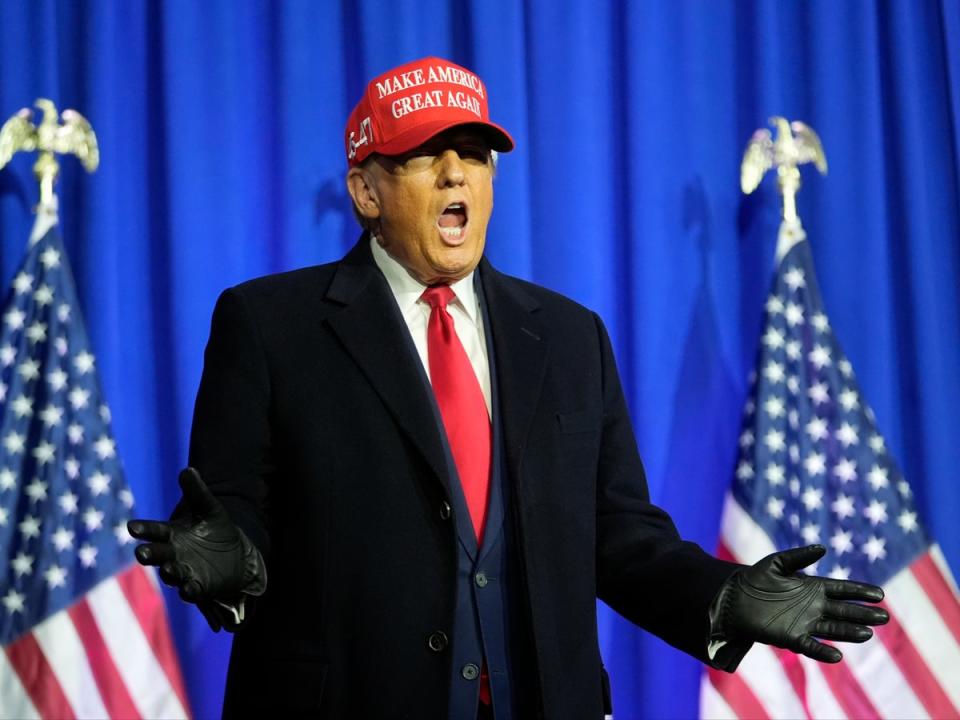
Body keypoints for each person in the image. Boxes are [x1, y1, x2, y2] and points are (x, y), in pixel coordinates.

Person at [128, 57, 888, 719]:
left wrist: (722, 599)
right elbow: (231, 514)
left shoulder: (566, 335)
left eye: (475, 153)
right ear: (366, 192)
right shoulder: (270, 325)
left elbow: (619, 535)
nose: (458, 171)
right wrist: (233, 562)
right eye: (427, 154)